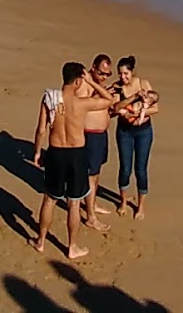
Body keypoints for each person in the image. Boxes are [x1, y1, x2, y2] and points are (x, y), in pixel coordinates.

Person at [30, 61, 116, 259]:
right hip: (76, 154)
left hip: (55, 151)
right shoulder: (82, 103)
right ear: (79, 80)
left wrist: (36, 152)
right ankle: (72, 247)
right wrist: (92, 83)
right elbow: (109, 100)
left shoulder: (49, 99)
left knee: (49, 199)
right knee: (74, 203)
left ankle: (41, 241)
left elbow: (41, 129)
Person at [112, 56, 158, 219]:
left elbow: (155, 108)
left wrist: (138, 113)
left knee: (141, 169)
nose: (122, 77)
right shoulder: (118, 88)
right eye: (120, 74)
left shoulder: (144, 84)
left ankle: (140, 206)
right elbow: (116, 107)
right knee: (125, 168)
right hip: (125, 131)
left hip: (143, 131)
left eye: (125, 74)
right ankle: (123, 201)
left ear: (132, 72)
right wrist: (133, 98)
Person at [79, 54, 116, 230]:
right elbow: (81, 104)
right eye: (101, 73)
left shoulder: (98, 83)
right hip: (89, 134)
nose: (104, 77)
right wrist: (98, 89)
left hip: (101, 134)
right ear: (93, 67)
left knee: (96, 172)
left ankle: (91, 204)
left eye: (108, 74)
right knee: (90, 175)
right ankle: (90, 217)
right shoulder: (83, 82)